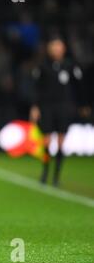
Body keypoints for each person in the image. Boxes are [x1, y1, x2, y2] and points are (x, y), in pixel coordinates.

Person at [30, 36, 90, 186]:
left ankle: (56, 176)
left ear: (63, 48)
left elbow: (79, 86)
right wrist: (35, 106)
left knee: (61, 141)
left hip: (64, 106)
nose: (56, 49)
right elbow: (37, 89)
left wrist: (83, 105)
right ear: (49, 49)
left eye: (59, 46)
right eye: (54, 46)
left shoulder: (70, 65)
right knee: (47, 140)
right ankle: (45, 172)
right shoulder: (43, 66)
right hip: (47, 106)